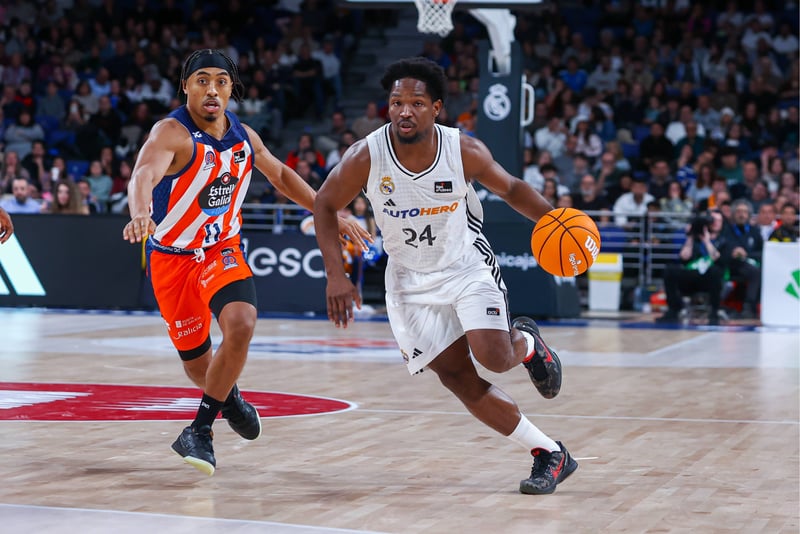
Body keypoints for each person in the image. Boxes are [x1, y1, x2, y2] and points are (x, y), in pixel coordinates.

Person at [313, 57, 577, 495]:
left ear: (436, 108)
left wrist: (556, 221)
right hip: (408, 280)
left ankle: (527, 343)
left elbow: (511, 188)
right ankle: (549, 453)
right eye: (397, 102)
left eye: (416, 103)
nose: (404, 111)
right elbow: (324, 204)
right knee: (458, 380)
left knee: (494, 357)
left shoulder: (463, 150)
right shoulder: (366, 155)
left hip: (465, 265)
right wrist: (335, 276)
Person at [122, 49, 370, 476]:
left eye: (221, 81)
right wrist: (140, 212)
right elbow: (143, 174)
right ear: (186, 87)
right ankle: (230, 399)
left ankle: (199, 430)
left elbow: (282, 176)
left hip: (221, 250)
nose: (211, 89)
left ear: (232, 89)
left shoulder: (244, 136)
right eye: (202, 80)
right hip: (172, 259)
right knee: (198, 367)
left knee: (242, 322)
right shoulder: (171, 132)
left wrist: (328, 212)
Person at [656, 210, 729, 325]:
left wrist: (707, 241)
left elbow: (718, 259)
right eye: (713, 220)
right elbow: (684, 257)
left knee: (715, 271)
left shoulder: (724, 239)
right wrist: (690, 237)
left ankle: (714, 312)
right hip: (692, 276)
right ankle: (674, 310)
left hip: (711, 278)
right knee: (670, 269)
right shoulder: (695, 239)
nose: (715, 223)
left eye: (718, 220)